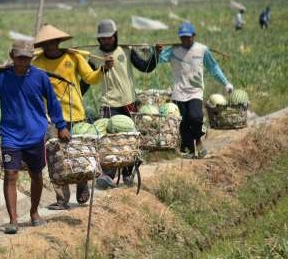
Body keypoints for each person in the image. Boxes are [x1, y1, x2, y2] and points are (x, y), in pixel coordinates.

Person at [0, 40, 71, 234]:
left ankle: (33, 212)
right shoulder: (1, 78)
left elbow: (54, 103)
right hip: (11, 135)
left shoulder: (40, 77)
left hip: (35, 134)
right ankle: (13, 220)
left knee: (37, 175)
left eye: (26, 58)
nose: (22, 61)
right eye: (19, 57)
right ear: (12, 56)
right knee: (11, 174)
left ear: (31, 58)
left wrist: (61, 126)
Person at [31, 24, 113, 210]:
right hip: (51, 117)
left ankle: (82, 184)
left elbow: (90, 78)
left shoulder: (73, 57)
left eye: (54, 42)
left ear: (59, 42)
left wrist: (104, 69)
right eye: (46, 43)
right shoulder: (38, 63)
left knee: (78, 154)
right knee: (56, 158)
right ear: (42, 45)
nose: (51, 46)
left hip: (75, 113)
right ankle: (62, 198)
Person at [84, 19, 162, 189]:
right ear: (99, 39)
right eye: (103, 38)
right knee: (110, 140)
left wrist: (155, 54)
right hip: (109, 103)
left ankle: (128, 172)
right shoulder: (95, 56)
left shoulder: (126, 50)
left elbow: (145, 67)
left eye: (110, 37)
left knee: (130, 139)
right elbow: (86, 80)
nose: (107, 40)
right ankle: (108, 174)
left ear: (115, 36)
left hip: (129, 102)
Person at [158, 22, 233, 159]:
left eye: (188, 37)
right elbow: (159, 58)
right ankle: (190, 150)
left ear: (194, 36)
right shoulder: (173, 50)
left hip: (195, 91)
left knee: (196, 117)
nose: (185, 40)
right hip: (179, 92)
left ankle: (198, 140)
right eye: (183, 38)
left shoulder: (202, 50)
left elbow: (213, 68)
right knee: (184, 123)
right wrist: (153, 51)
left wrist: (226, 82)